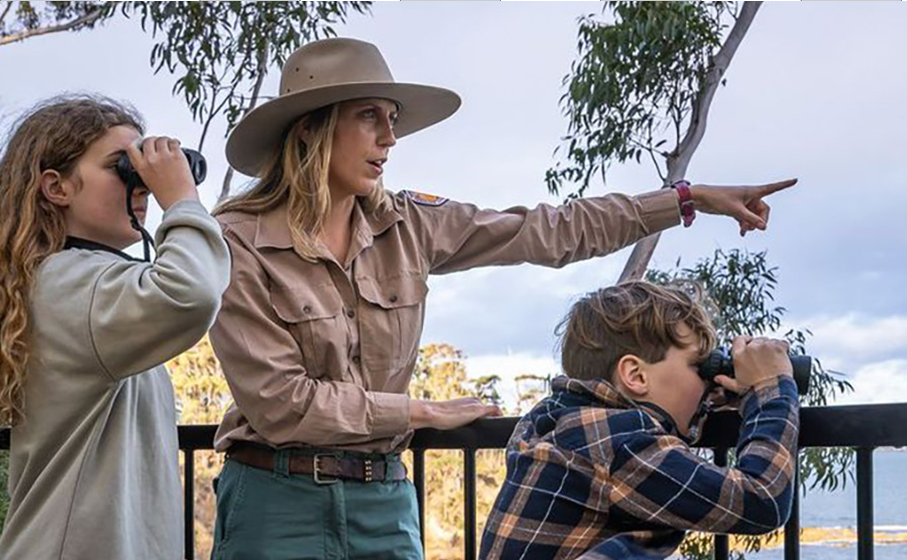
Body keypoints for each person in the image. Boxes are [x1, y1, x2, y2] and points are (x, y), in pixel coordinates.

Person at [207, 37, 796, 560]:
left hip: (382, 498)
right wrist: (420, 411)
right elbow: (280, 404)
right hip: (273, 497)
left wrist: (686, 199)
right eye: (369, 118)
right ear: (310, 126)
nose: (390, 137)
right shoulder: (236, 239)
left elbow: (549, 230)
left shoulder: (411, 223)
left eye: (391, 119)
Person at [0, 96, 230, 560]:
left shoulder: (74, 283)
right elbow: (191, 293)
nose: (142, 184)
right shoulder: (69, 286)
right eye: (124, 167)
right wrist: (182, 199)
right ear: (56, 187)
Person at [479, 281, 800, 560]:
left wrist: (706, 402)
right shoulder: (621, 445)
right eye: (698, 367)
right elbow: (763, 500)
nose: (708, 380)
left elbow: (662, 438)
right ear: (635, 375)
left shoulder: (554, 419)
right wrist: (770, 388)